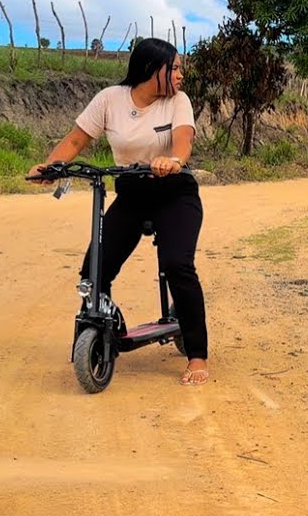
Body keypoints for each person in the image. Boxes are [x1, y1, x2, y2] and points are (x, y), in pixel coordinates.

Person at [27, 38, 210, 386]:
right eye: (173, 68)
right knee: (94, 270)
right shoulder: (110, 100)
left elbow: (183, 140)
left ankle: (197, 355)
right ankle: (103, 328)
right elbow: (76, 140)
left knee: (177, 265)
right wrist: (50, 167)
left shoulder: (178, 102)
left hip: (174, 193)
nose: (180, 75)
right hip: (131, 194)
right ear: (151, 69)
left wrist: (173, 160)